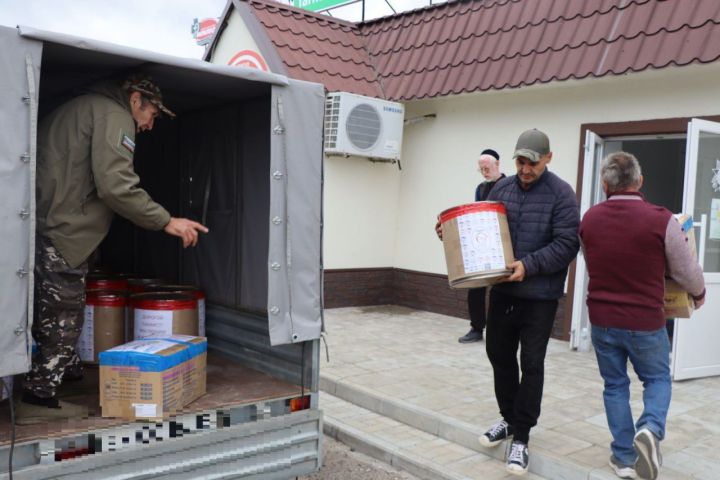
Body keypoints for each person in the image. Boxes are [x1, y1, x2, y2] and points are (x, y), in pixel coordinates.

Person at [18, 74, 209, 425]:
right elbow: (116, 186)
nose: (150, 125)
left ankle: (63, 373)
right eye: (152, 115)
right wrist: (167, 221)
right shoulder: (113, 115)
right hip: (63, 231)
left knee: (45, 309)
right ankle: (37, 399)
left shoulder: (83, 107)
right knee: (64, 317)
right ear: (136, 100)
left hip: (45, 222)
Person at [579, 152, 705, 480]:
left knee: (615, 385)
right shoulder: (661, 220)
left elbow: (593, 264)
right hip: (645, 321)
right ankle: (649, 430)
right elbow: (685, 270)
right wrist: (700, 293)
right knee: (658, 379)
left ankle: (622, 459)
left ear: (605, 184)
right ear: (640, 181)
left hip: (603, 319)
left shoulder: (589, 220)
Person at [478, 129, 580, 476]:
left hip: (540, 297)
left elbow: (567, 244)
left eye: (531, 162)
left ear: (548, 158)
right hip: (504, 291)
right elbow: (483, 226)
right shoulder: (501, 189)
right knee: (499, 356)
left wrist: (529, 265)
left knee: (531, 364)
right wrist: (454, 232)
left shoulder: (562, 194)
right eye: (520, 161)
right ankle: (509, 418)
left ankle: (521, 436)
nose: (524, 169)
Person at [459, 149, 505, 343]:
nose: (485, 172)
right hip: (482, 242)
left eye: (487, 168)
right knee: (476, 287)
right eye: (481, 169)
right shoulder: (480, 188)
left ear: (498, 165)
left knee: (501, 290)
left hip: (501, 243)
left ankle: (501, 330)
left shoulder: (508, 185)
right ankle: (476, 328)